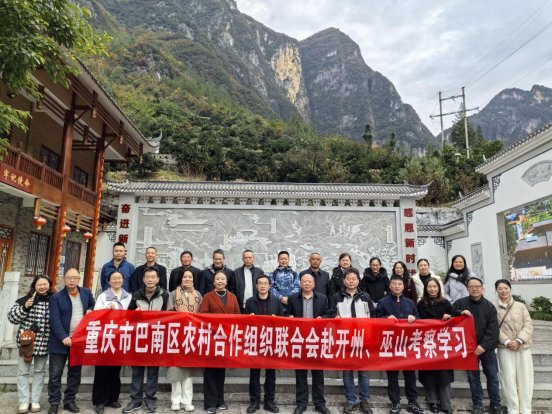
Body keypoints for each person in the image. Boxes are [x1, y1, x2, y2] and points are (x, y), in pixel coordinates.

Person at [48, 268, 95, 414]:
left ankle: (69, 401)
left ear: (79, 279)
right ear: (64, 279)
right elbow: (54, 320)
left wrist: (90, 309)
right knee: (55, 374)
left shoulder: (86, 293)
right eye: (69, 277)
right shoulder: (56, 297)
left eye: (75, 277)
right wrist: (63, 337)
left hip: (78, 341)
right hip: (59, 342)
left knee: (75, 374)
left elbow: (93, 305)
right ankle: (54, 402)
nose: (72, 280)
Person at [376, 275, 425, 414]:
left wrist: (414, 318)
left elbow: (420, 320)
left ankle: (412, 402)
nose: (397, 286)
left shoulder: (410, 303)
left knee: (410, 375)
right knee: (392, 376)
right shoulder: (383, 302)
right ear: (390, 286)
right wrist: (386, 318)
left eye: (399, 284)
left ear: (403, 286)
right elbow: (376, 319)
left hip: (408, 345)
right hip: (391, 345)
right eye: (394, 284)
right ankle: (395, 402)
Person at [123, 267, 169, 414]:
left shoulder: (164, 295)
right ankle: (135, 400)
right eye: (147, 277)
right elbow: (127, 317)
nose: (150, 280)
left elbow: (170, 316)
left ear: (158, 279)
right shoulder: (136, 295)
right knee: (137, 370)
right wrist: (134, 314)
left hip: (156, 337)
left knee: (153, 371)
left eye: (153, 277)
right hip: (139, 338)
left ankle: (150, 399)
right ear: (143, 279)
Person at [330, 268, 375, 414]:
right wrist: (334, 317)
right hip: (345, 339)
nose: (351, 281)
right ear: (344, 281)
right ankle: (350, 400)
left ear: (358, 281)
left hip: (363, 338)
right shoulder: (336, 297)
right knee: (347, 371)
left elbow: (373, 316)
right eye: (348, 278)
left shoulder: (365, 297)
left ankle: (364, 400)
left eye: (353, 278)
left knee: (364, 372)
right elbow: (331, 313)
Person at [453, 277, 501, 414]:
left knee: (492, 377)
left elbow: (493, 330)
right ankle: (478, 404)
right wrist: (459, 312)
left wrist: (483, 346)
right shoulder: (460, 303)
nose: (474, 289)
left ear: (482, 288)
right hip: (469, 349)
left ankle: (495, 404)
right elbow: (449, 314)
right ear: (467, 288)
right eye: (471, 286)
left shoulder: (489, 306)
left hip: (486, 348)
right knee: (473, 378)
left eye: (477, 286)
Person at [8, 275, 53, 414]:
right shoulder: (25, 299)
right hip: (27, 342)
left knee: (40, 371)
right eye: (39, 284)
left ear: (49, 285)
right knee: (23, 372)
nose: (42, 287)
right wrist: (25, 308)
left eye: (45, 284)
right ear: (34, 286)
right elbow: (12, 318)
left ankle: (35, 400)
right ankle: (23, 401)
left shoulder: (54, 300)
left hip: (44, 342)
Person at [287, 273, 331, 414]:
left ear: (314, 283)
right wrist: (289, 317)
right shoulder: (293, 298)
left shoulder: (322, 298)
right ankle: (301, 403)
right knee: (300, 373)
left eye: (309, 281)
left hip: (316, 340)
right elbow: (287, 314)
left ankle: (319, 403)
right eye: (304, 281)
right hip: (299, 341)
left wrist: (322, 318)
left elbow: (329, 314)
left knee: (318, 373)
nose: (307, 284)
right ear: (300, 284)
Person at [200, 271, 241, 414]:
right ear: (214, 281)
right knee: (210, 372)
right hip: (212, 338)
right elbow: (203, 315)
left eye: (222, 279)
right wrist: (218, 322)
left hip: (226, 339)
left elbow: (237, 316)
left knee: (221, 371)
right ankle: (210, 403)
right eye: (217, 279)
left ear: (226, 281)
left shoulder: (232, 297)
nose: (220, 281)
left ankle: (220, 400)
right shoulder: (207, 296)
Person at [92, 271, 131, 414]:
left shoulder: (128, 297)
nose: (116, 280)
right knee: (102, 370)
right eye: (113, 278)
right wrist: (106, 309)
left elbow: (131, 315)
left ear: (123, 280)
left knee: (115, 370)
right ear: (109, 281)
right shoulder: (103, 296)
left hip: (120, 337)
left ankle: (112, 398)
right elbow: (95, 315)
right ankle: (99, 401)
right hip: (105, 337)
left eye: (119, 278)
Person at [244, 275, 284, 413]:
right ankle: (254, 401)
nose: (262, 286)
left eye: (265, 283)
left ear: (269, 285)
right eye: (260, 283)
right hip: (255, 342)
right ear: (256, 286)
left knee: (271, 373)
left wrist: (276, 320)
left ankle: (269, 401)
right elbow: (243, 322)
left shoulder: (276, 301)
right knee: (254, 373)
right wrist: (249, 319)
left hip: (271, 342)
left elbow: (283, 321)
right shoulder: (250, 302)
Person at [495, 279, 534, 414]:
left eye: (506, 288)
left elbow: (528, 325)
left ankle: (525, 409)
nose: (503, 291)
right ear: (496, 290)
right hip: (504, 348)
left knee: (525, 377)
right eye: (500, 288)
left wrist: (518, 340)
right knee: (508, 378)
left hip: (523, 347)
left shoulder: (520, 306)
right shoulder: (493, 307)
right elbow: (494, 327)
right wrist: (506, 341)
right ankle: (512, 408)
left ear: (510, 289)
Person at [417, 278, 454, 414]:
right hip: (427, 342)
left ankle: (446, 404)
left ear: (439, 288)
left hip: (442, 343)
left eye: (435, 286)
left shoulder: (446, 303)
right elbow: (417, 320)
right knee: (429, 374)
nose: (432, 289)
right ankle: (432, 401)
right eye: (429, 287)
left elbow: (455, 317)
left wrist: (451, 316)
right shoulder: (421, 304)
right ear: (426, 289)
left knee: (443, 374)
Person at [167, 270, 203, 412]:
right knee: (175, 368)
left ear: (193, 279)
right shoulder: (173, 294)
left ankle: (187, 400)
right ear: (181, 279)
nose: (187, 279)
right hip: (176, 335)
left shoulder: (198, 294)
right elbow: (169, 313)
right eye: (185, 277)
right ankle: (175, 400)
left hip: (192, 335)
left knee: (188, 370)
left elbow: (202, 314)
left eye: (190, 277)